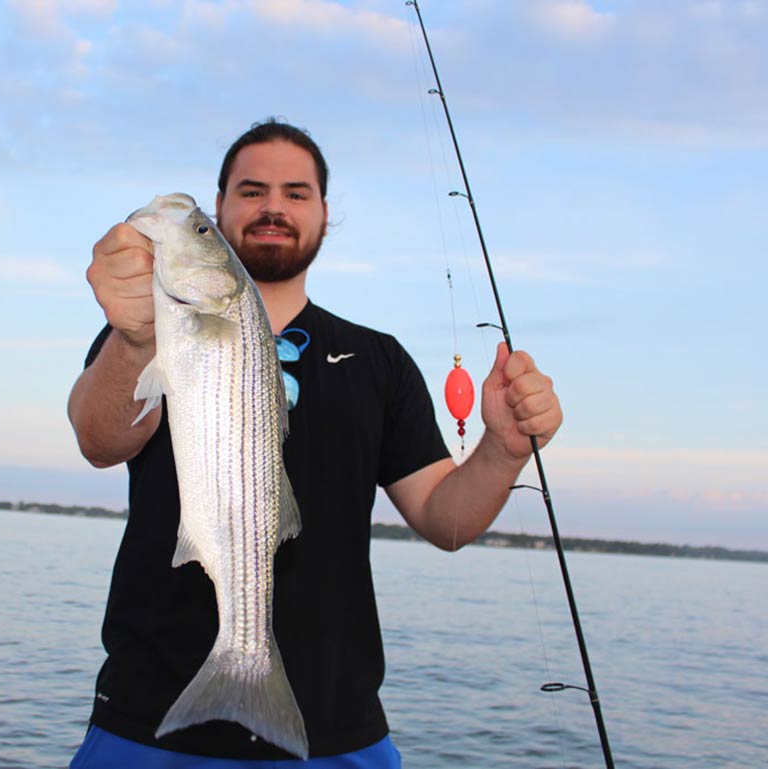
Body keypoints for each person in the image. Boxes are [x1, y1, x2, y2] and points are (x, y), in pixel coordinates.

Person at [66, 119, 562, 768]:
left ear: (325, 213)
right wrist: (134, 339)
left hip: (336, 732)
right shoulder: (145, 332)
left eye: (296, 193)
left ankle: (246, 668)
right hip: (145, 723)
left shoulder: (380, 361)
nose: (273, 206)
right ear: (220, 206)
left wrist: (503, 448)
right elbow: (100, 441)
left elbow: (446, 520)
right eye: (251, 190)